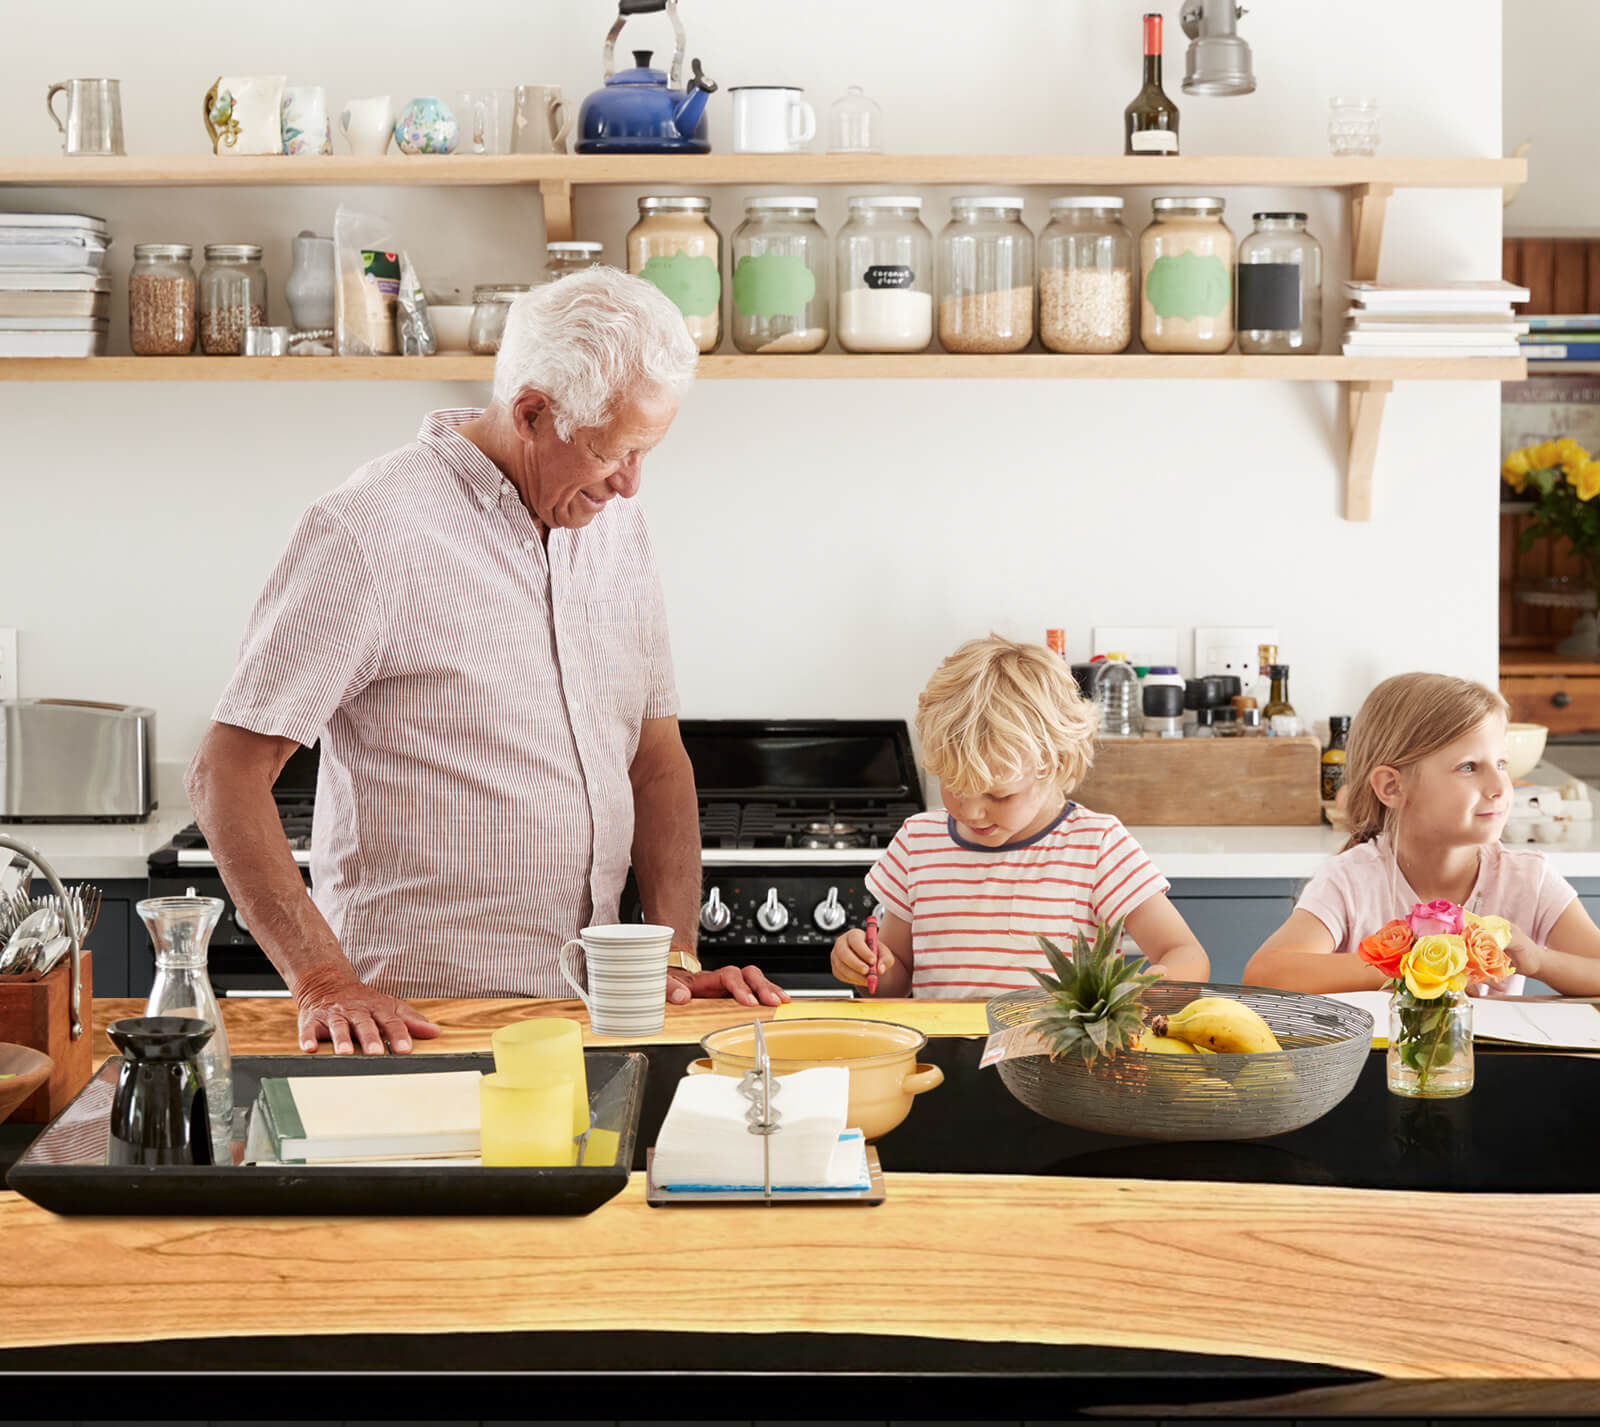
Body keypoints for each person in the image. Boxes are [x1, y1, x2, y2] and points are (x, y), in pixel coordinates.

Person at [188, 269, 786, 1056]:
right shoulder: (371, 531)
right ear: (534, 412)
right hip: (417, 1022)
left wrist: (670, 959)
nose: (633, 485)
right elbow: (225, 773)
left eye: (649, 451)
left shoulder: (613, 528)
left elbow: (654, 761)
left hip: (591, 1018)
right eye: (615, 452)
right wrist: (323, 981)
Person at [828, 636, 1209, 998]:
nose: (972, 811)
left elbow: (1186, 955)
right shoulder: (918, 842)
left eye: (1000, 794)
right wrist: (867, 968)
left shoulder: (1097, 845)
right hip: (938, 1062)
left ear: (1056, 763)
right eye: (954, 787)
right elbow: (897, 982)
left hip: (1059, 1063)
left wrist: (1148, 988)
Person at [1243, 672, 1600, 995]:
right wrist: (1413, 965)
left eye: (1501, 764)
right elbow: (1266, 973)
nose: (1499, 786)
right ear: (1392, 787)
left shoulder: (1528, 879)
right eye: (1469, 767)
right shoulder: (1352, 879)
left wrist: (1538, 961)